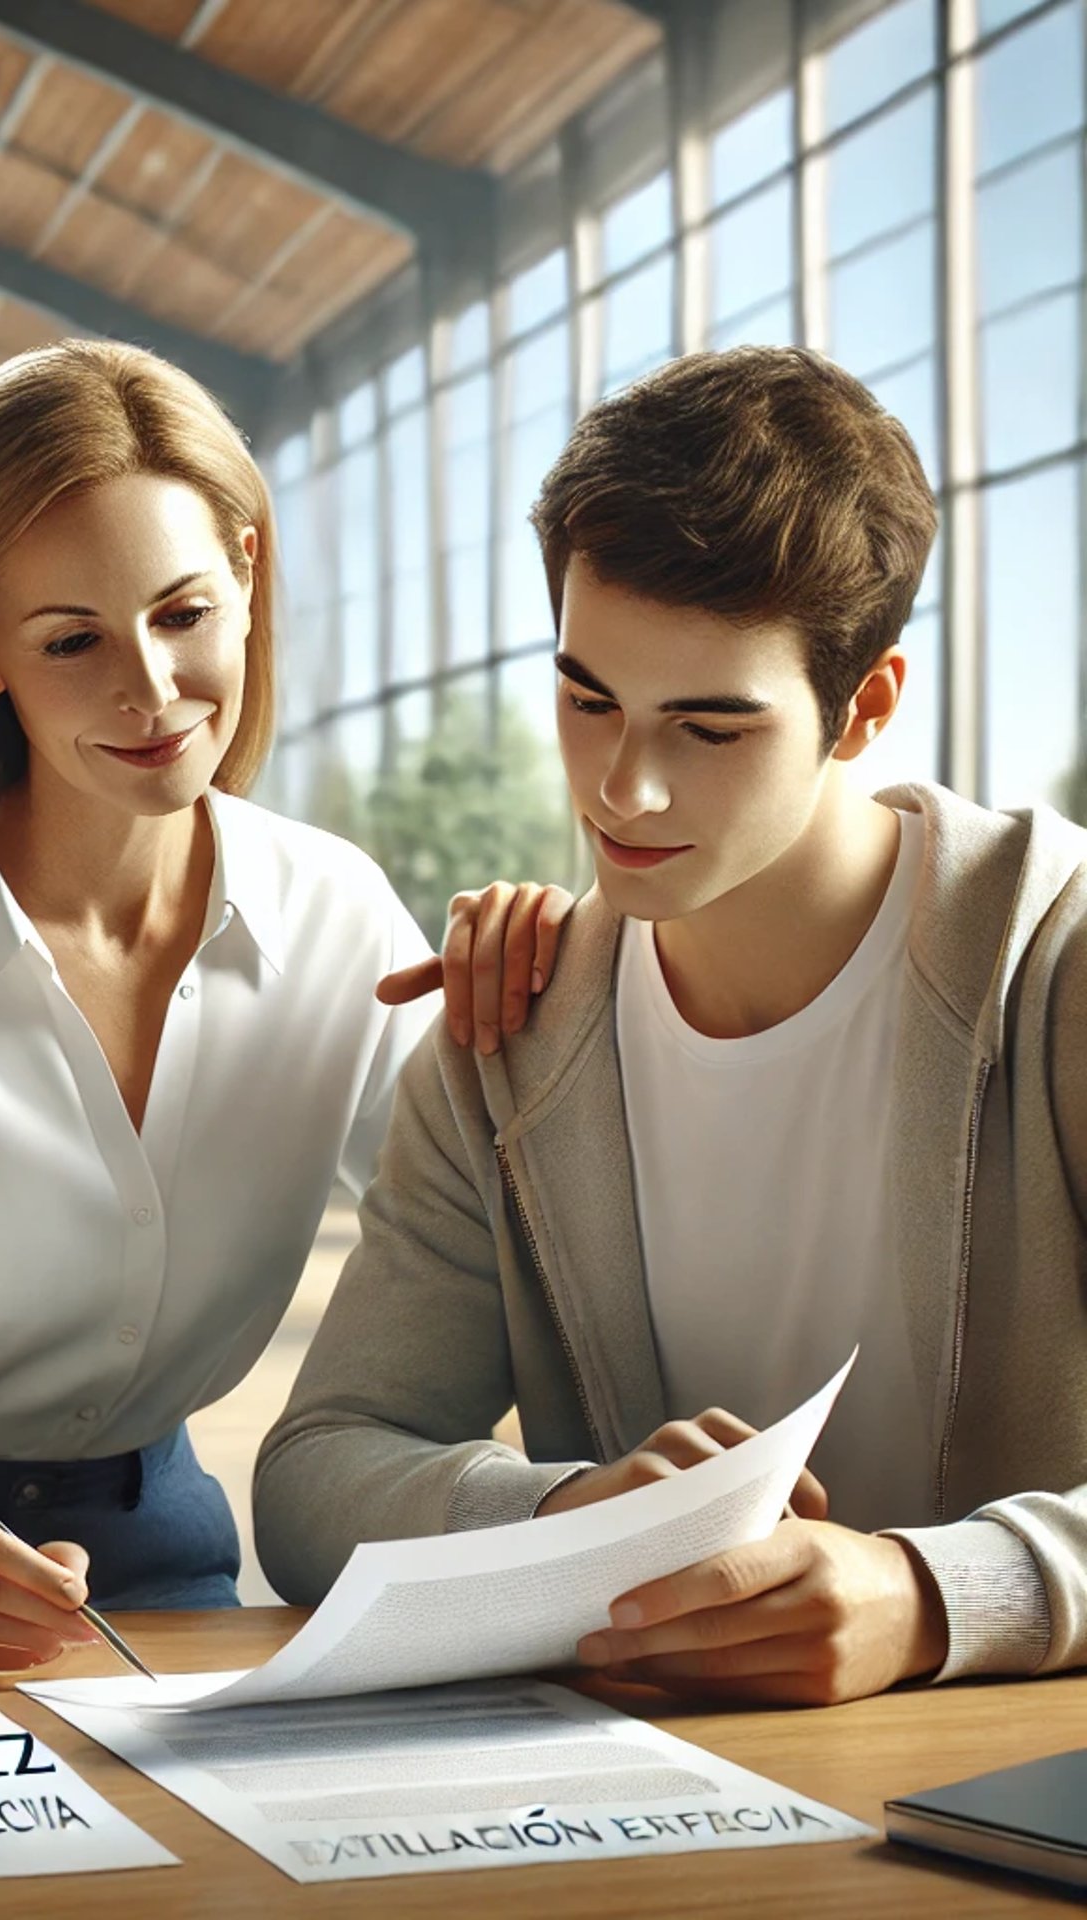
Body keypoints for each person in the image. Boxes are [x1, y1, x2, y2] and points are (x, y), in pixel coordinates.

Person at [0, 339, 567, 1668]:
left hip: (163, 1533)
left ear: (251, 580)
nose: (149, 690)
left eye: (183, 613)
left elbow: (506, 1237)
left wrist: (575, 995)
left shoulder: (335, 912)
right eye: (71, 639)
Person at [255, 344, 1087, 1707]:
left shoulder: (1056, 974)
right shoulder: (512, 1025)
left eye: (710, 728)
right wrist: (566, 1516)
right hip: (661, 1806)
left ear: (864, 706)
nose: (625, 788)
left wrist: (936, 1596)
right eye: (589, 700)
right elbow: (312, 1478)